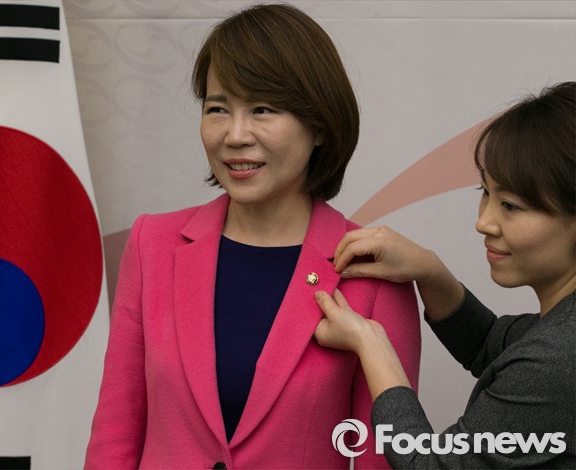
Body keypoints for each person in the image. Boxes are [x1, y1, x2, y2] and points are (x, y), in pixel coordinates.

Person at [85, 4, 421, 469]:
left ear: (320, 127)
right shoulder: (152, 244)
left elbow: (380, 460)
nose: (235, 134)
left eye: (263, 109)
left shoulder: (373, 270)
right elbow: (113, 439)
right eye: (217, 109)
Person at [314, 81, 575, 468]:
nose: (484, 222)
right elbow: (489, 344)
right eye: (484, 192)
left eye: (510, 205)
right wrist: (430, 270)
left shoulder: (556, 361)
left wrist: (372, 345)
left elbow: (428, 463)